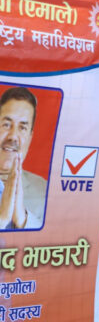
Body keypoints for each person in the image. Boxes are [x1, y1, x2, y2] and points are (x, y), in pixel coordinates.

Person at [0, 87, 45, 230]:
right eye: (7, 125)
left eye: (22, 128)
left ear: (30, 137)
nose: (13, 136)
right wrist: (2, 220)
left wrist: (22, 219)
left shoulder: (43, 190)